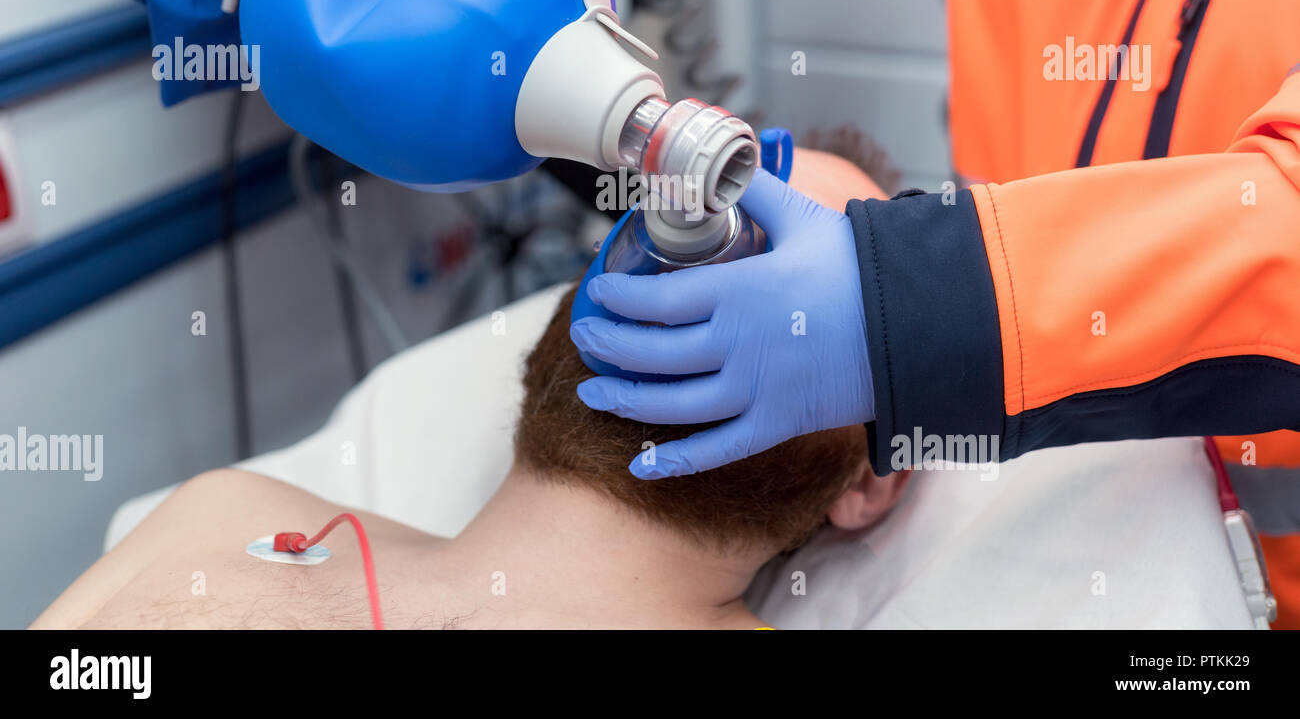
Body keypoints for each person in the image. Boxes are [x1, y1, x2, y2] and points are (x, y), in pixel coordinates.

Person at [358, 0, 1300, 627]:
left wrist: (917, 309)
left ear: (874, 480)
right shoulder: (241, 517)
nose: (703, 206)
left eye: (841, 247)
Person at [32, 156, 905, 629]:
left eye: (825, 270)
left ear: (872, 479)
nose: (724, 242)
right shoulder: (223, 514)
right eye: (729, 195)